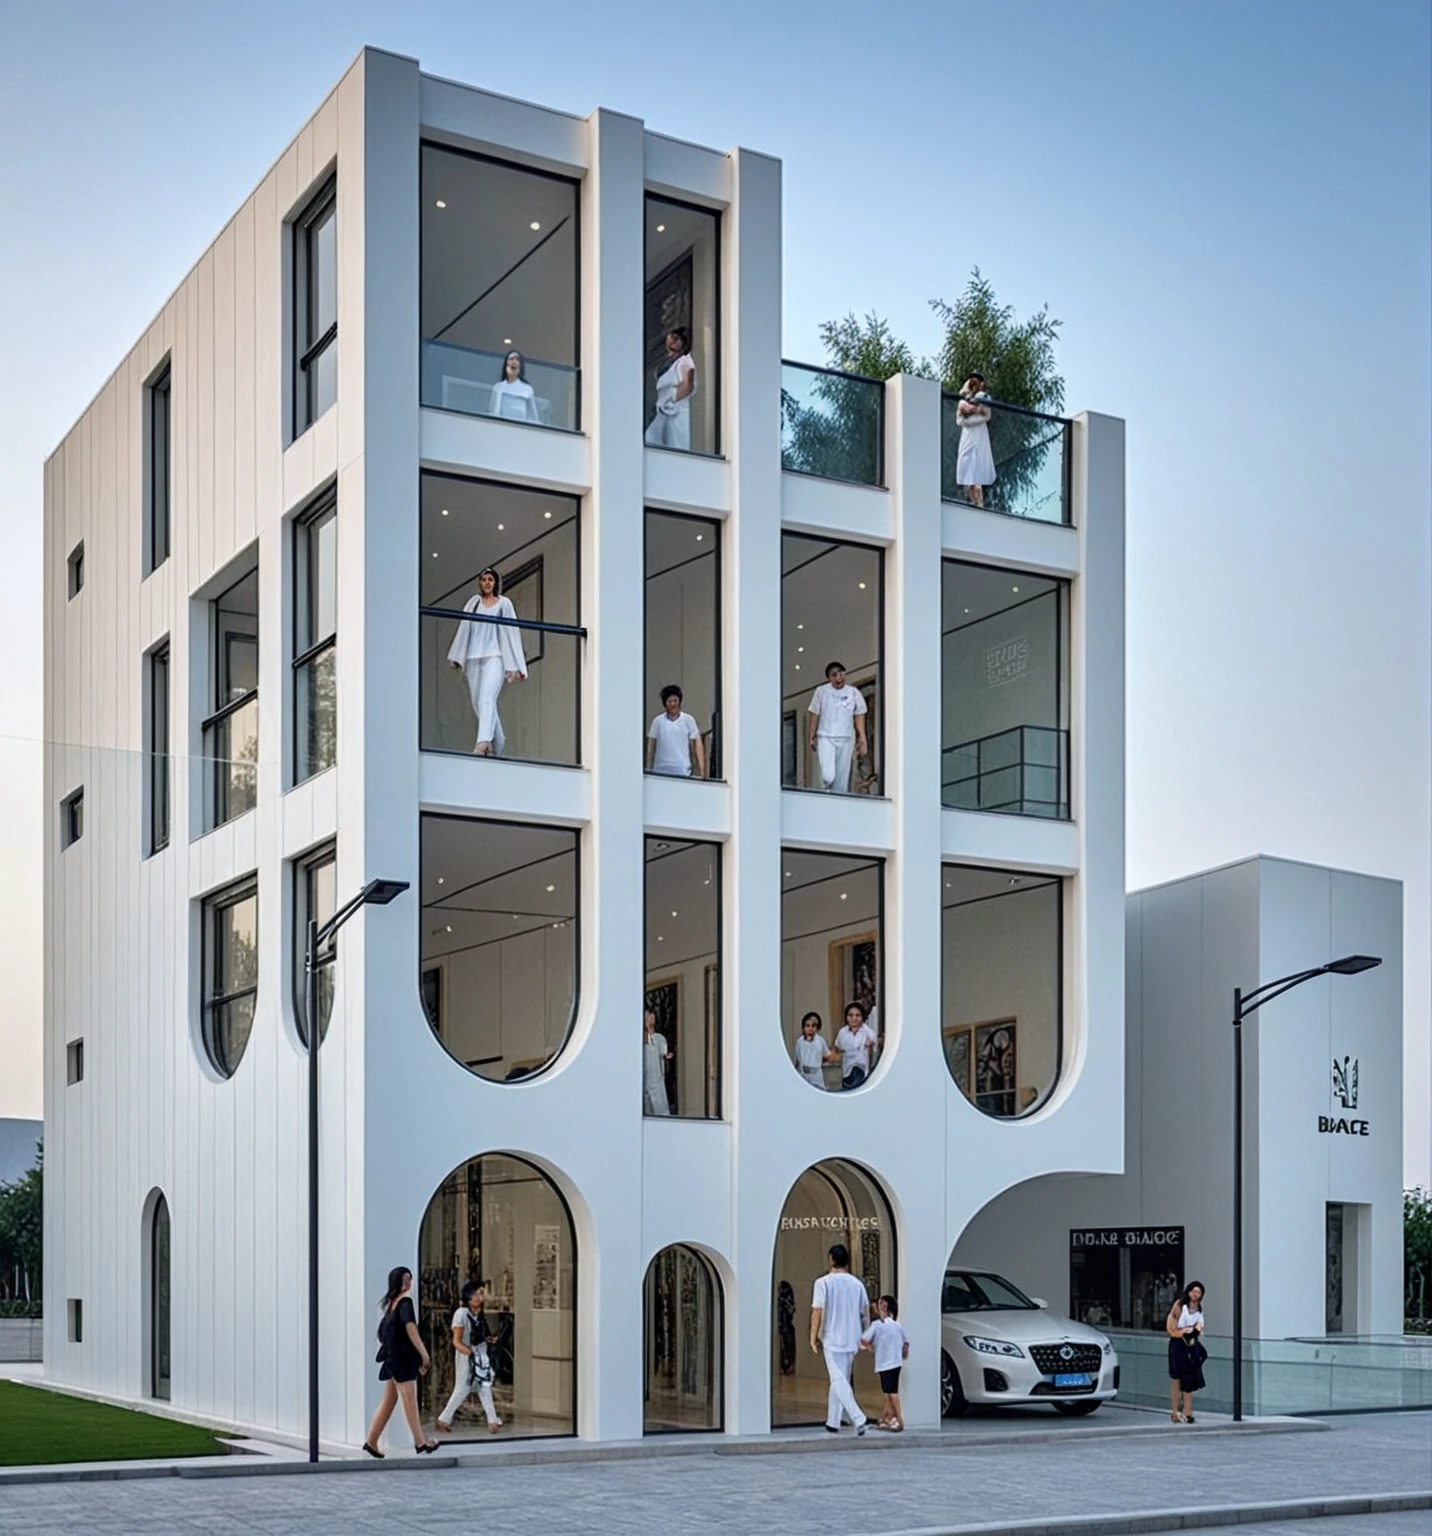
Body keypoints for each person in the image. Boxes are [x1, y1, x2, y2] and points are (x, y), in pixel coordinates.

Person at [447, 567, 527, 756]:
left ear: (495, 583)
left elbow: (512, 632)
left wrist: (518, 665)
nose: (487, 583)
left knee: (487, 699)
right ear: (480, 583)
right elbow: (464, 628)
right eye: (484, 580)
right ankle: (498, 743)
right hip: (474, 657)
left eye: (490, 579)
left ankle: (482, 742)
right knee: (478, 702)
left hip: (495, 656)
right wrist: (457, 655)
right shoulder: (473, 603)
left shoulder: (503, 604)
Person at [364, 1266, 438, 1457]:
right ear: (406, 1282)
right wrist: (424, 1354)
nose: (411, 1283)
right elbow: (410, 1327)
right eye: (409, 1279)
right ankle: (421, 1442)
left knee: (389, 1401)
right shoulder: (405, 1302)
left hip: (392, 1358)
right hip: (403, 1359)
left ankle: (371, 1441)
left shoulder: (391, 1304)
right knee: (409, 1400)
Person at [809, 1242, 870, 1435]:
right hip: (852, 1338)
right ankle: (833, 1421)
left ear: (831, 1260)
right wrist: (865, 1336)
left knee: (837, 1379)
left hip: (832, 1337)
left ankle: (858, 1418)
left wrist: (813, 1336)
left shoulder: (823, 1283)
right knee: (840, 1378)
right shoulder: (857, 1284)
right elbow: (865, 1312)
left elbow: (816, 1312)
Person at [435, 1279, 503, 1436]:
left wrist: (487, 1340)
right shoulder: (461, 1314)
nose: (481, 1297)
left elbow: (478, 1335)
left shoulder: (477, 1314)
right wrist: (470, 1353)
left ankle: (492, 1420)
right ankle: (444, 1418)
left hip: (479, 1353)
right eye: (478, 1294)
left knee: (484, 1386)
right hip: (469, 1355)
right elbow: (456, 1341)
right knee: (464, 1387)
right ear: (469, 1296)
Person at [807, 663, 869, 794]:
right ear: (829, 678)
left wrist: (862, 738)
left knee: (841, 782)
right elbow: (814, 713)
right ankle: (825, 793)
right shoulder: (821, 691)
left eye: (841, 674)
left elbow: (859, 714)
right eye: (834, 675)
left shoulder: (853, 692)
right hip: (825, 736)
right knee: (828, 775)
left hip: (846, 738)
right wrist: (811, 735)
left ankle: (837, 805)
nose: (838, 678)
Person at [860, 1294, 910, 1431]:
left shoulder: (877, 1326)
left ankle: (899, 1419)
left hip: (884, 1362)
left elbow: (864, 1340)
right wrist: (903, 1354)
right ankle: (886, 1417)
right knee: (889, 1391)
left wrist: (870, 1349)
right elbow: (906, 1343)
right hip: (896, 1362)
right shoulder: (897, 1325)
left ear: (884, 1306)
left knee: (891, 1392)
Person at [645, 327, 696, 450]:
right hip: (663, 409)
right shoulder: (666, 362)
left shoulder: (684, 361)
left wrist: (673, 398)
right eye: (671, 337)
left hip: (675, 410)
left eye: (676, 339)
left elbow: (688, 383)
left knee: (676, 444)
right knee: (652, 438)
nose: (673, 342)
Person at [1166, 1280, 1207, 1423]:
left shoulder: (1198, 1308)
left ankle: (1188, 1411)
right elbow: (1171, 1328)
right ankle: (1175, 1411)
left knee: (1190, 1379)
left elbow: (1200, 1327)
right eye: (1194, 1291)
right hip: (1178, 1344)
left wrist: (1194, 1332)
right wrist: (1182, 1332)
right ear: (1189, 1292)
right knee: (1177, 1379)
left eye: (1199, 1292)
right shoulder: (1180, 1306)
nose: (1196, 1295)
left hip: (1191, 1344)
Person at [955, 371, 996, 508]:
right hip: (967, 434)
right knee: (967, 465)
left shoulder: (983, 396)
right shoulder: (963, 400)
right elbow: (959, 420)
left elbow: (986, 415)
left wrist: (970, 417)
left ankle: (978, 503)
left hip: (978, 433)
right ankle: (972, 501)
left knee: (976, 466)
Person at [646, 685, 706, 778]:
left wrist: (702, 772)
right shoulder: (657, 721)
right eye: (669, 701)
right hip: (660, 771)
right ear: (665, 704)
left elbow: (697, 744)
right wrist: (648, 769)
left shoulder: (688, 720)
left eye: (675, 701)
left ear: (679, 702)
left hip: (683, 771)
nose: (673, 704)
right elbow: (651, 746)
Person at [833, 1001, 879, 1091]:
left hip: (860, 1070)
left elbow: (875, 1041)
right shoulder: (842, 1033)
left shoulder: (866, 1031)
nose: (854, 1018)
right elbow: (837, 1047)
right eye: (851, 1015)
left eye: (858, 1015)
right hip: (846, 1071)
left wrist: (870, 1044)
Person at [488, 349, 541, 423]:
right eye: (511, 359)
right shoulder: (498, 387)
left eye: (517, 359)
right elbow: (493, 412)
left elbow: (533, 417)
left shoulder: (527, 389)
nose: (514, 362)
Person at [793, 1010, 838, 1090]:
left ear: (817, 1028)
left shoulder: (820, 1041)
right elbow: (797, 1059)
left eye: (813, 1026)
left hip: (816, 1075)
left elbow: (828, 1056)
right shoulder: (799, 1041)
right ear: (803, 1028)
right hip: (803, 1074)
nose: (810, 1028)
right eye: (807, 1026)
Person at [643, 1004, 674, 1116]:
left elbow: (665, 1054)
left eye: (651, 1015)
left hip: (656, 1079)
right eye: (647, 1016)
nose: (649, 1018)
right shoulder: (639, 1039)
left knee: (659, 1110)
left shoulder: (659, 1038)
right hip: (644, 1080)